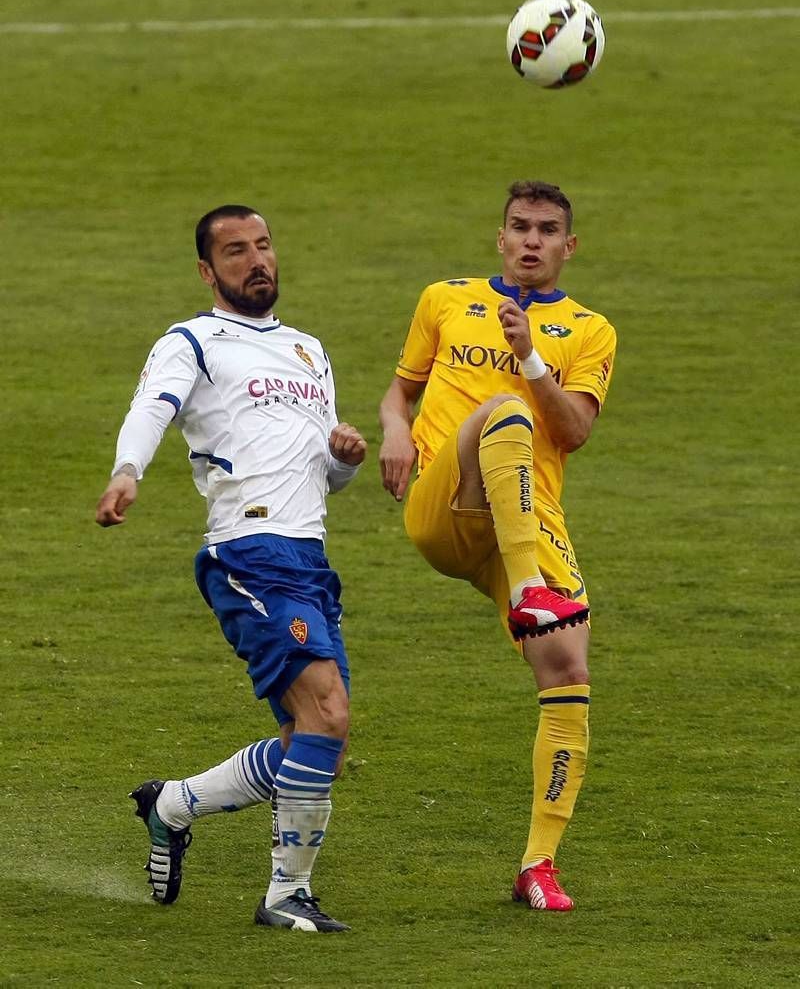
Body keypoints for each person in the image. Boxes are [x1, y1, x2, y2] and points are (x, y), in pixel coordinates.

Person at [96, 204, 366, 933]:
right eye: (238, 251)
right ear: (208, 270)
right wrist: (128, 472)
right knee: (328, 713)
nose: (258, 261)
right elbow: (152, 406)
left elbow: (324, 478)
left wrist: (341, 458)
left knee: (319, 745)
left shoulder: (311, 351)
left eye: (265, 245)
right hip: (248, 552)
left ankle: (173, 804)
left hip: (309, 556)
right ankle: (285, 895)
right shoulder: (195, 340)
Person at [378, 181, 616, 911]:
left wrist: (532, 355)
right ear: (500, 237)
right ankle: (525, 591)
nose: (532, 240)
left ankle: (537, 865)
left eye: (548, 230)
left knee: (569, 667)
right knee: (503, 411)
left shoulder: (589, 329)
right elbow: (401, 394)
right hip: (448, 502)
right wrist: (393, 430)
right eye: (520, 227)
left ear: (568, 247)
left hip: (529, 515)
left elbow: (573, 431)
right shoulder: (444, 299)